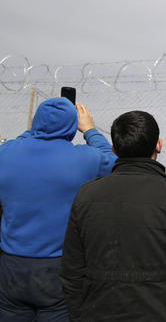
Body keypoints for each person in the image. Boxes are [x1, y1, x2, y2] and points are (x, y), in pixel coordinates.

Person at [59, 111, 166, 322]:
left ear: (114, 149)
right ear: (158, 145)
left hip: (98, 311)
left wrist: (80, 314)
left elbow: (71, 271)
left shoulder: (87, 195)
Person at [0, 97, 116, 321]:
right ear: (72, 127)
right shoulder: (84, 158)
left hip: (11, 265)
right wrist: (90, 130)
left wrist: (35, 130)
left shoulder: (6, 152)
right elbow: (114, 162)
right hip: (57, 266)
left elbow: (17, 142)